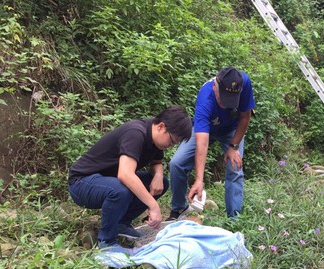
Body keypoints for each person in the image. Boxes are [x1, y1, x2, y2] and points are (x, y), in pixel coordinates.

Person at [68, 106, 192, 251]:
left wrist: (158, 175)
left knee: (162, 183)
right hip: (82, 183)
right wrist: (153, 205)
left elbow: (156, 162)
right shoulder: (135, 133)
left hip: (107, 181)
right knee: (120, 190)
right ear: (161, 127)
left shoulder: (155, 139)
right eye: (171, 141)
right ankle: (106, 242)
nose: (170, 146)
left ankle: (121, 223)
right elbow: (125, 174)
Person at [168, 67, 256, 220]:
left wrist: (233, 146)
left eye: (231, 100)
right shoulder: (205, 98)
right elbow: (202, 144)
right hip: (206, 128)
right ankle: (179, 209)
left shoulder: (244, 82)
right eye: (223, 98)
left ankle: (234, 220)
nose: (227, 104)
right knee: (177, 163)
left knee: (235, 167)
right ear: (215, 85)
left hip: (232, 130)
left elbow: (245, 117)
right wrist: (199, 180)